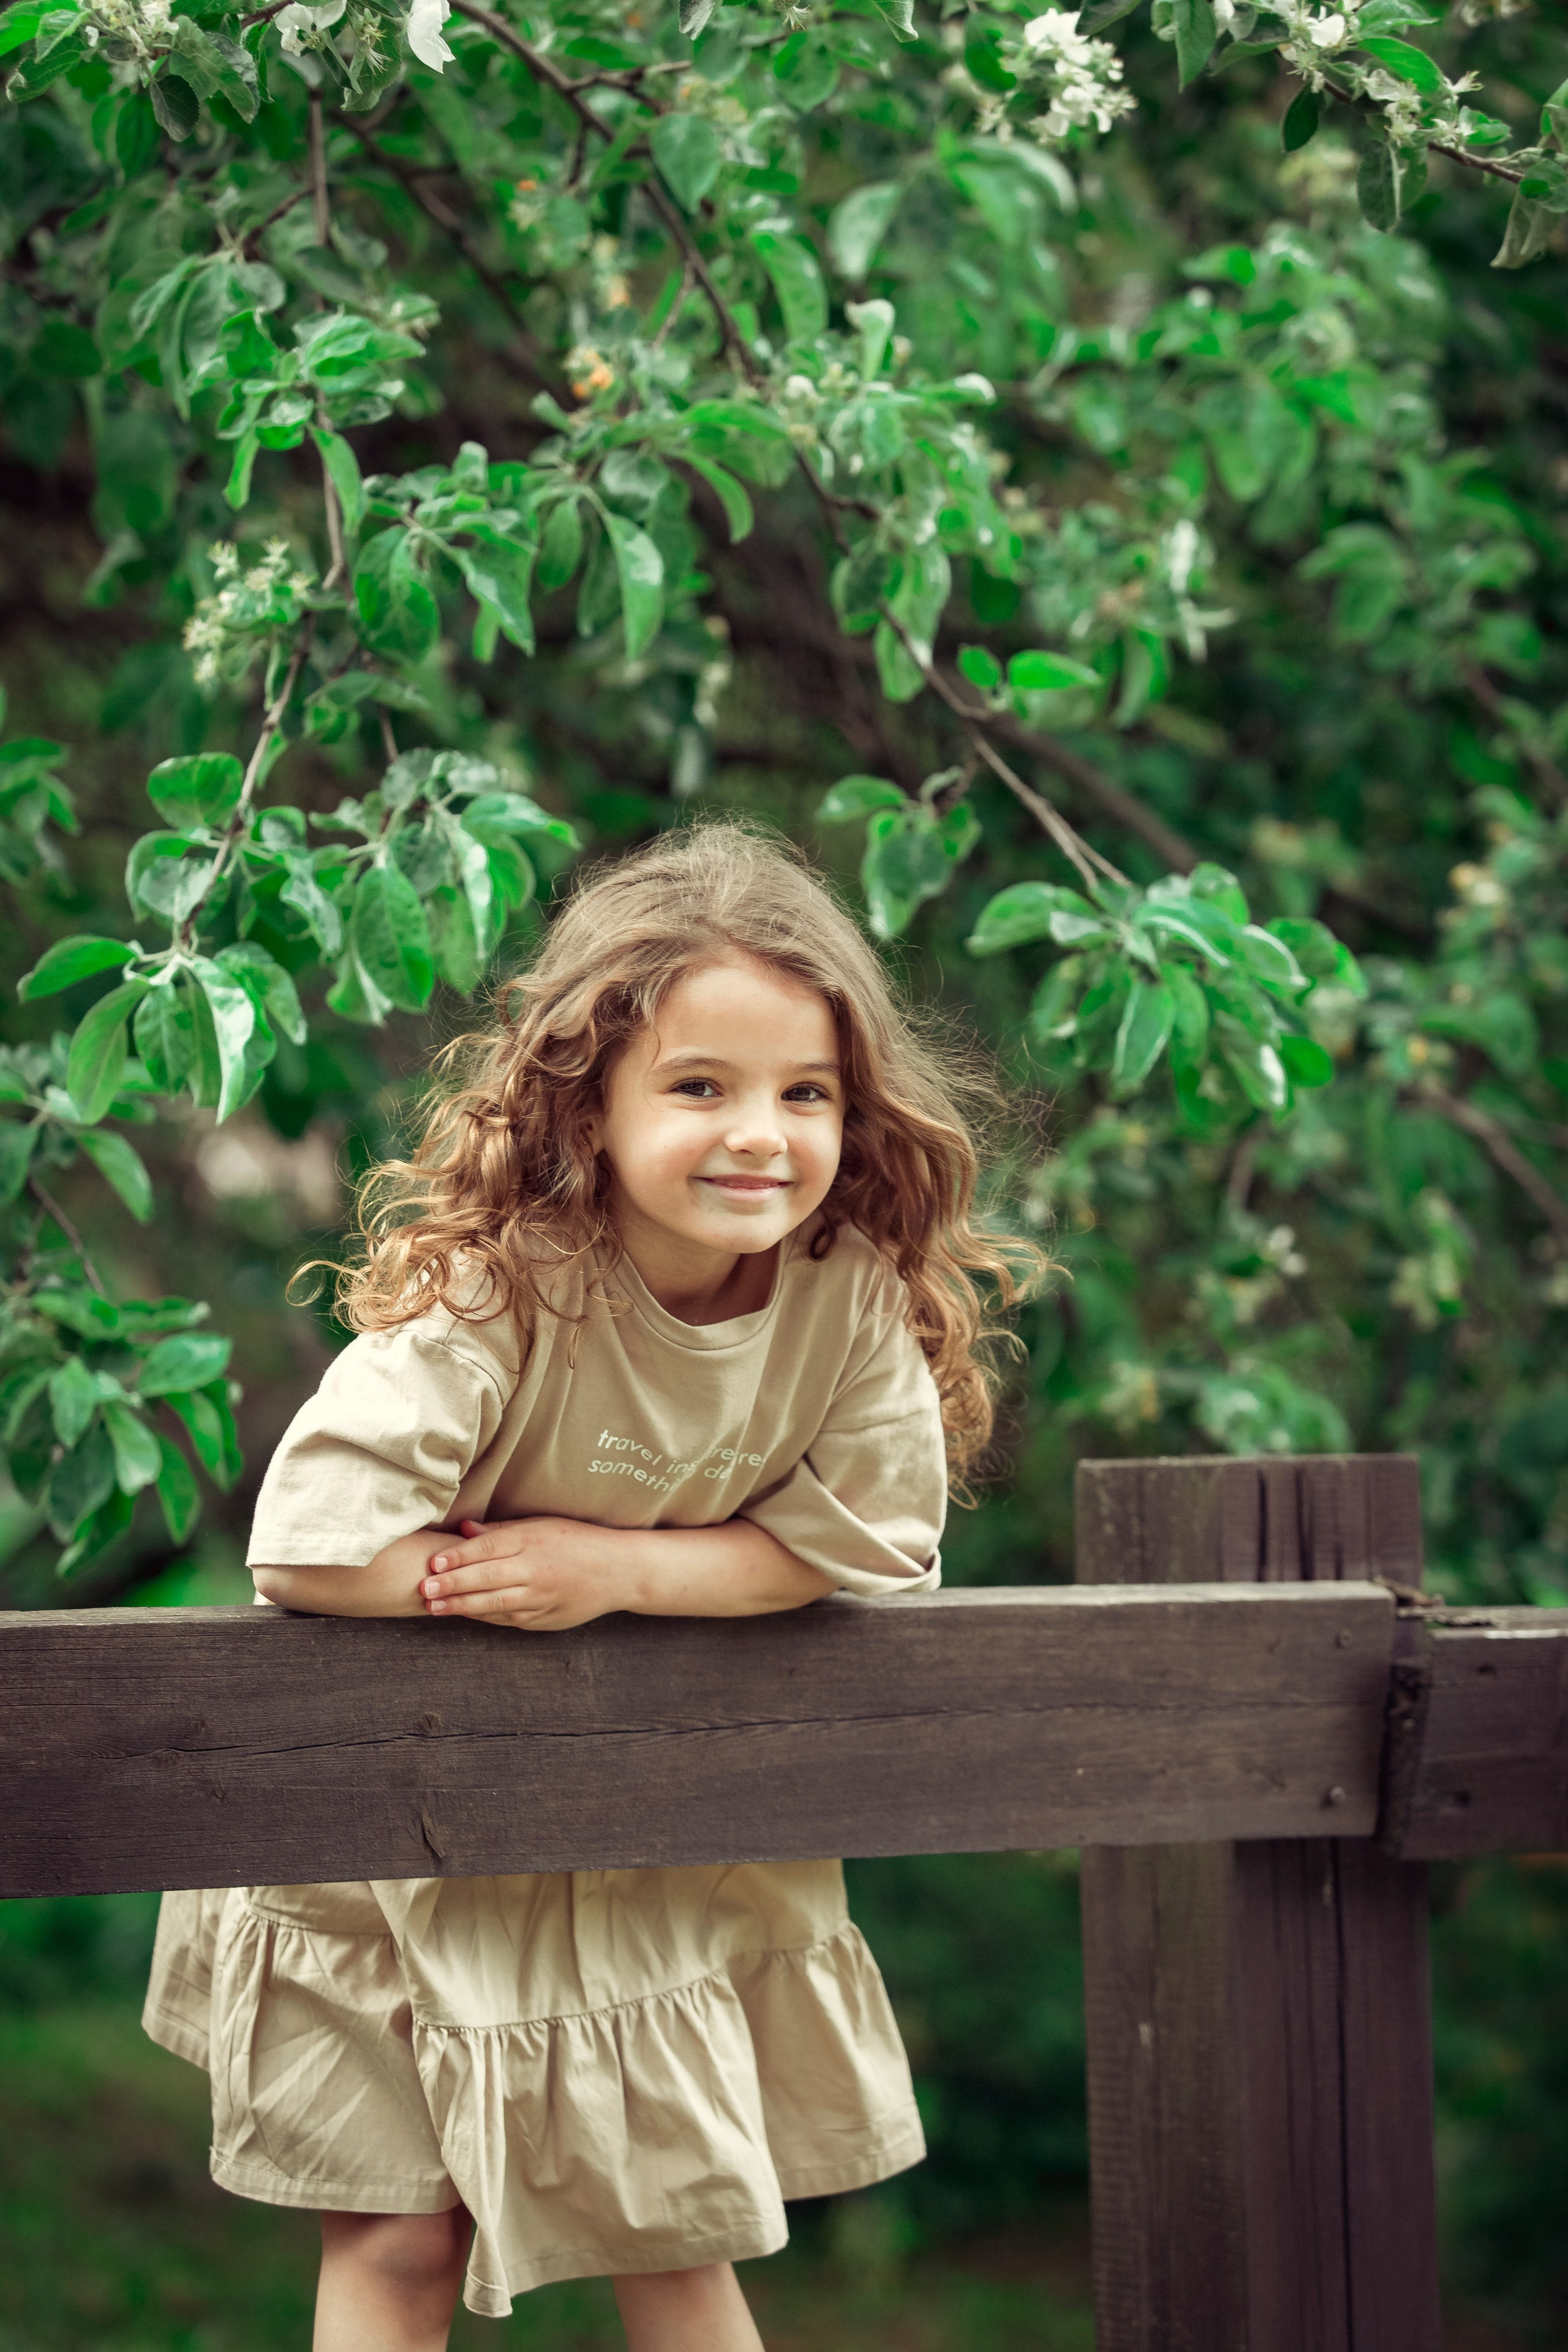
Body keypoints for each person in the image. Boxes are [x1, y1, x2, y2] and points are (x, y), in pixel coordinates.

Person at [143, 820, 1036, 2351]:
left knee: (679, 2238)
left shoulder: (845, 1305)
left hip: (634, 1849)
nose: (759, 1133)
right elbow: (307, 1538)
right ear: (589, 1108)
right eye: (699, 1087)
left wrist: (614, 1567)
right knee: (401, 2248)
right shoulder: (508, 1286)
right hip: (399, 1842)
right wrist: (495, 1583)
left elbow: (875, 1542)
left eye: (802, 1093)